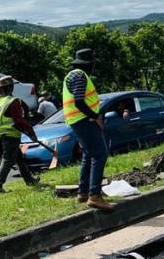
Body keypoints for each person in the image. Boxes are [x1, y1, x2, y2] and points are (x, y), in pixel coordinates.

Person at [62, 48, 113, 211]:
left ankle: (83, 192)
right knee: (100, 154)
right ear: (88, 64)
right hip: (83, 120)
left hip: (78, 120)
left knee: (88, 154)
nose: (93, 67)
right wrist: (94, 116)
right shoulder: (79, 75)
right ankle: (95, 196)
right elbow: (79, 101)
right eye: (92, 64)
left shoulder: (74, 75)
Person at [0, 76, 39, 194]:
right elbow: (19, 120)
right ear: (9, 88)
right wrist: (31, 132)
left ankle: (29, 180)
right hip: (10, 134)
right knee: (8, 159)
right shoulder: (12, 101)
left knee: (19, 158)